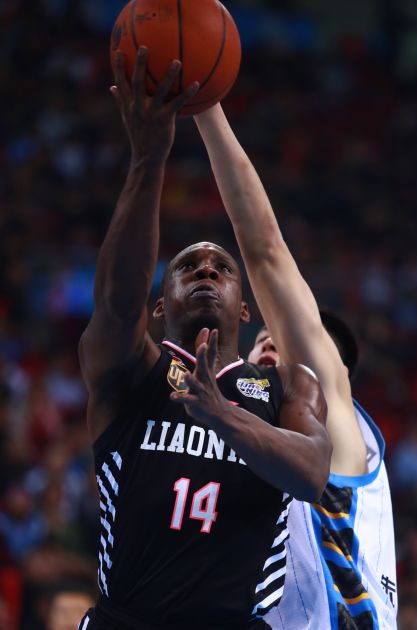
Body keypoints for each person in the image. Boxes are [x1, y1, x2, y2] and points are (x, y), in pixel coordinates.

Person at [77, 49, 332, 629]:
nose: (207, 270)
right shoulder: (134, 370)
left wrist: (222, 415)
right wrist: (148, 159)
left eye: (221, 267)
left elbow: (313, 473)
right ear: (160, 305)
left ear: (244, 307)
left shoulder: (286, 383)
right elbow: (116, 301)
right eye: (188, 266)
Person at [194, 104, 398, 629]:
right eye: (262, 339)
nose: (269, 343)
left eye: (283, 342)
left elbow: (265, 252)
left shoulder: (338, 438)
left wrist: (206, 108)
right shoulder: (243, 445)